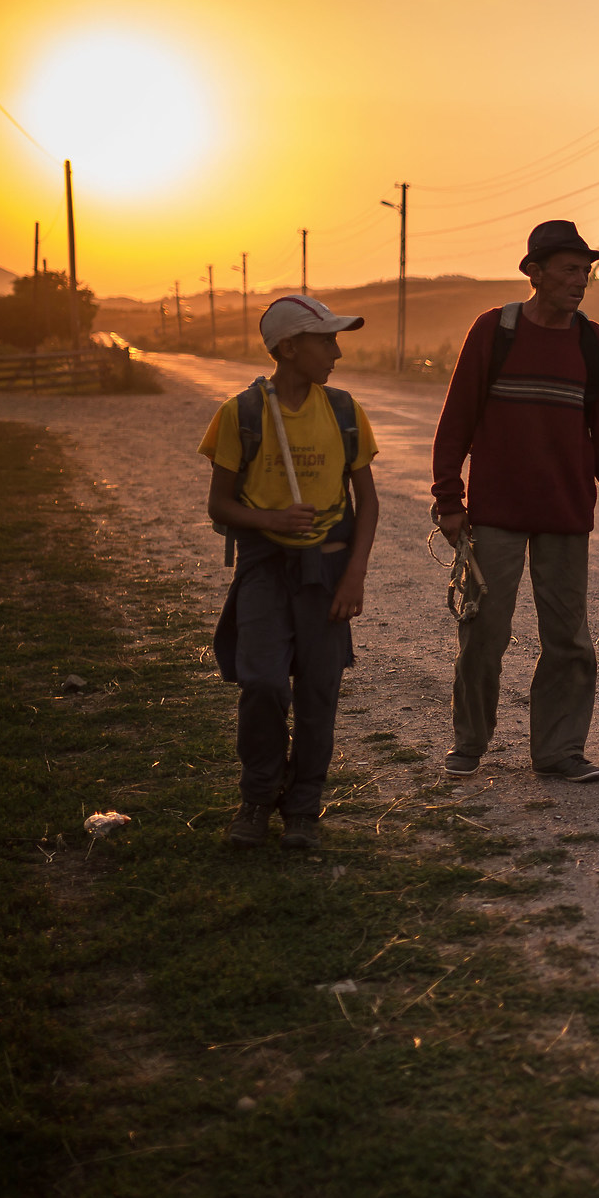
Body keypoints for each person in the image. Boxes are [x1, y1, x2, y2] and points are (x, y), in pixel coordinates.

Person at [431, 219, 599, 782]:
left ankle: (559, 750)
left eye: (586, 272)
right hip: (495, 513)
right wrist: (449, 500)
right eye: (570, 270)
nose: (581, 281)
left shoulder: (593, 343)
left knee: (568, 639)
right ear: (535, 272)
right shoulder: (493, 331)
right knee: (482, 633)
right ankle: (469, 743)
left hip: (565, 515)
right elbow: (456, 422)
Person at [202, 294, 380, 848]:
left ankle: (303, 807)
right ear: (288, 348)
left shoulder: (344, 411)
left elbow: (368, 502)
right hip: (264, 570)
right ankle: (257, 798)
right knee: (261, 683)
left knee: (319, 692)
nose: (337, 353)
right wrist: (271, 519)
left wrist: (354, 575)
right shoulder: (242, 413)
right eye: (326, 341)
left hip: (327, 574)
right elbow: (218, 505)